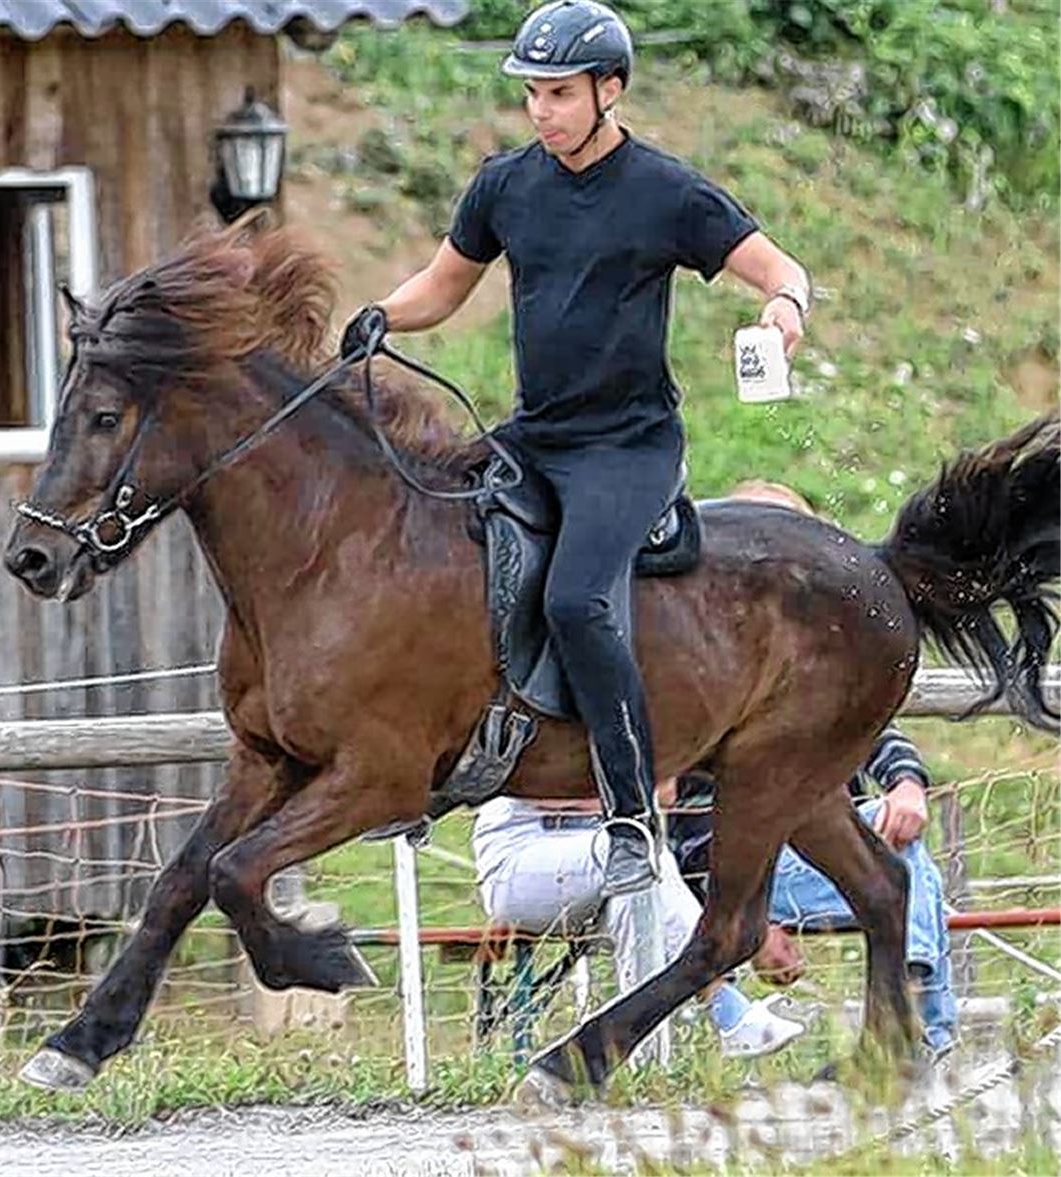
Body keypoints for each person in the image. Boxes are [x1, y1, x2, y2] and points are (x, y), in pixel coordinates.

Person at [338, 0, 812, 898]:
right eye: (531, 95)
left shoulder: (667, 192)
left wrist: (784, 312)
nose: (542, 111)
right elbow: (442, 287)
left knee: (578, 600)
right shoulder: (505, 186)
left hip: (626, 449)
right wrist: (380, 315)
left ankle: (632, 811)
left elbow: (779, 270)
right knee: (439, 552)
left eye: (559, 93)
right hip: (535, 438)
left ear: (610, 89)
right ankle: (430, 766)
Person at [668, 480, 959, 1056]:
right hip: (734, 867)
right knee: (893, 868)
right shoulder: (705, 667)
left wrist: (905, 782)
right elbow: (688, 827)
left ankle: (922, 1030)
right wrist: (741, 906)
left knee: (897, 854)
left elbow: (874, 734)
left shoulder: (824, 661)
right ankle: (924, 1032)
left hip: (803, 853)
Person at [473, 789, 806, 1059]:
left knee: (634, 898)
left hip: (597, 862)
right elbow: (541, 788)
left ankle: (634, 1061)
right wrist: (625, 789)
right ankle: (727, 1005)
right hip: (524, 859)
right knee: (639, 853)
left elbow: (665, 790)